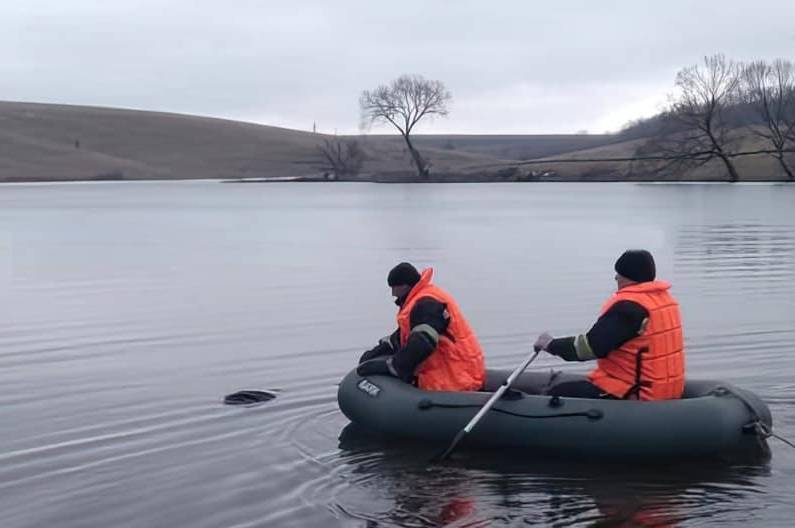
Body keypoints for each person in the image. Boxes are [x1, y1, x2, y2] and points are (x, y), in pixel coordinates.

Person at [533, 250, 685, 400]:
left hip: (635, 393)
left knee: (556, 393)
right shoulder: (664, 301)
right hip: (666, 389)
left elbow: (589, 348)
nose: (616, 277)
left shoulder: (629, 308)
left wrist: (550, 345)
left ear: (627, 277)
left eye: (619, 274)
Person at [357, 262, 485, 392]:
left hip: (454, 377)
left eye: (394, 288)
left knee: (408, 370)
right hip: (455, 369)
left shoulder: (426, 304)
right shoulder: (420, 299)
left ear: (404, 286)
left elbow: (423, 342)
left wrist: (392, 367)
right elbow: (403, 336)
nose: (392, 294)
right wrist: (378, 351)